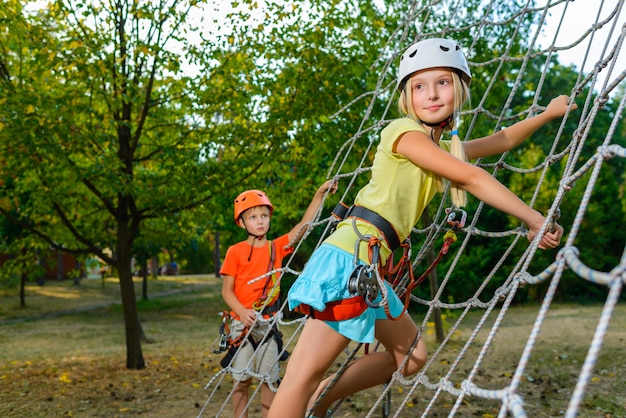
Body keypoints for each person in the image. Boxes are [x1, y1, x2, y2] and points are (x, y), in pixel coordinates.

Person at [268, 37, 574, 418]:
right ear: (407, 96)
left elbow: (500, 140)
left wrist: (546, 114)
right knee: (303, 375)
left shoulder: (441, 147)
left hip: (371, 267)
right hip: (349, 259)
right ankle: (307, 398)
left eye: (442, 82)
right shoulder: (403, 133)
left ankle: (320, 401)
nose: (431, 94)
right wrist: (534, 218)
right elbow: (471, 177)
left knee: (412, 356)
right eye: (419, 86)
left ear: (459, 88)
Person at [220, 180, 337, 418]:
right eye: (253, 217)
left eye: (264, 215)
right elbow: (226, 291)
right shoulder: (235, 251)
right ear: (241, 222)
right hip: (242, 325)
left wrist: (318, 196)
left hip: (269, 323)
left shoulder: (277, 248)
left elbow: (304, 226)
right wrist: (242, 312)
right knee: (241, 381)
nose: (260, 221)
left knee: (269, 381)